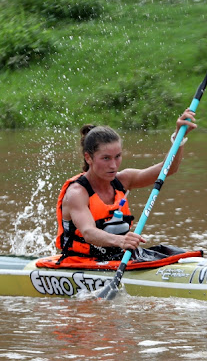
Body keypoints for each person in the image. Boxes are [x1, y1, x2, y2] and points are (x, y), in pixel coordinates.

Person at [55, 109, 197, 262]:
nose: (113, 165)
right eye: (106, 158)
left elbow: (168, 169)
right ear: (88, 158)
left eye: (118, 157)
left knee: (176, 253)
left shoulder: (124, 180)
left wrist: (179, 138)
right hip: (80, 262)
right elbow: (88, 232)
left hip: (118, 257)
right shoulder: (76, 193)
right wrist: (121, 241)